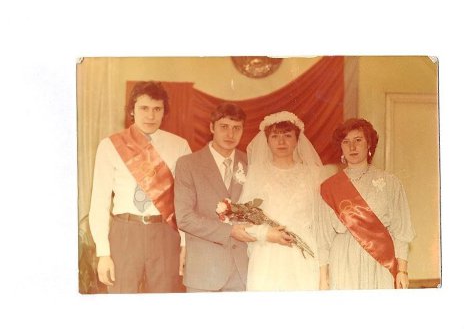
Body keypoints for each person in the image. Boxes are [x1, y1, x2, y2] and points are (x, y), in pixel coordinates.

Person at [88, 81, 191, 293]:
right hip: (125, 232)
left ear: (164, 112)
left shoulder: (179, 146)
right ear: (132, 111)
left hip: (164, 233)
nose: (151, 116)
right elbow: (99, 202)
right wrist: (103, 253)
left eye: (157, 109)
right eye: (144, 108)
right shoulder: (110, 145)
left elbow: (186, 201)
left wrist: (185, 244)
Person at [175, 102, 270, 292]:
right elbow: (185, 218)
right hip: (204, 271)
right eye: (224, 127)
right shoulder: (188, 164)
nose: (230, 134)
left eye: (236, 128)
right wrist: (230, 231)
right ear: (211, 127)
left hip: (243, 271)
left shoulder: (251, 164)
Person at [318, 118, 415, 290]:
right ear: (340, 147)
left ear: (369, 144)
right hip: (343, 261)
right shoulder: (329, 187)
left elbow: (401, 231)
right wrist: (323, 278)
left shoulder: (390, 183)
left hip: (379, 262)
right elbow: (323, 238)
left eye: (358, 140)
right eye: (346, 142)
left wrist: (402, 271)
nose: (352, 147)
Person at [240, 111, 328, 291]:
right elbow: (243, 219)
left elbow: (321, 224)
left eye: (287, 136)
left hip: (303, 255)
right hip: (267, 254)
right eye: (275, 136)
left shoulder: (313, 174)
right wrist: (266, 233)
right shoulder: (256, 173)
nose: (281, 142)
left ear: (297, 140)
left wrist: (323, 274)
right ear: (267, 141)